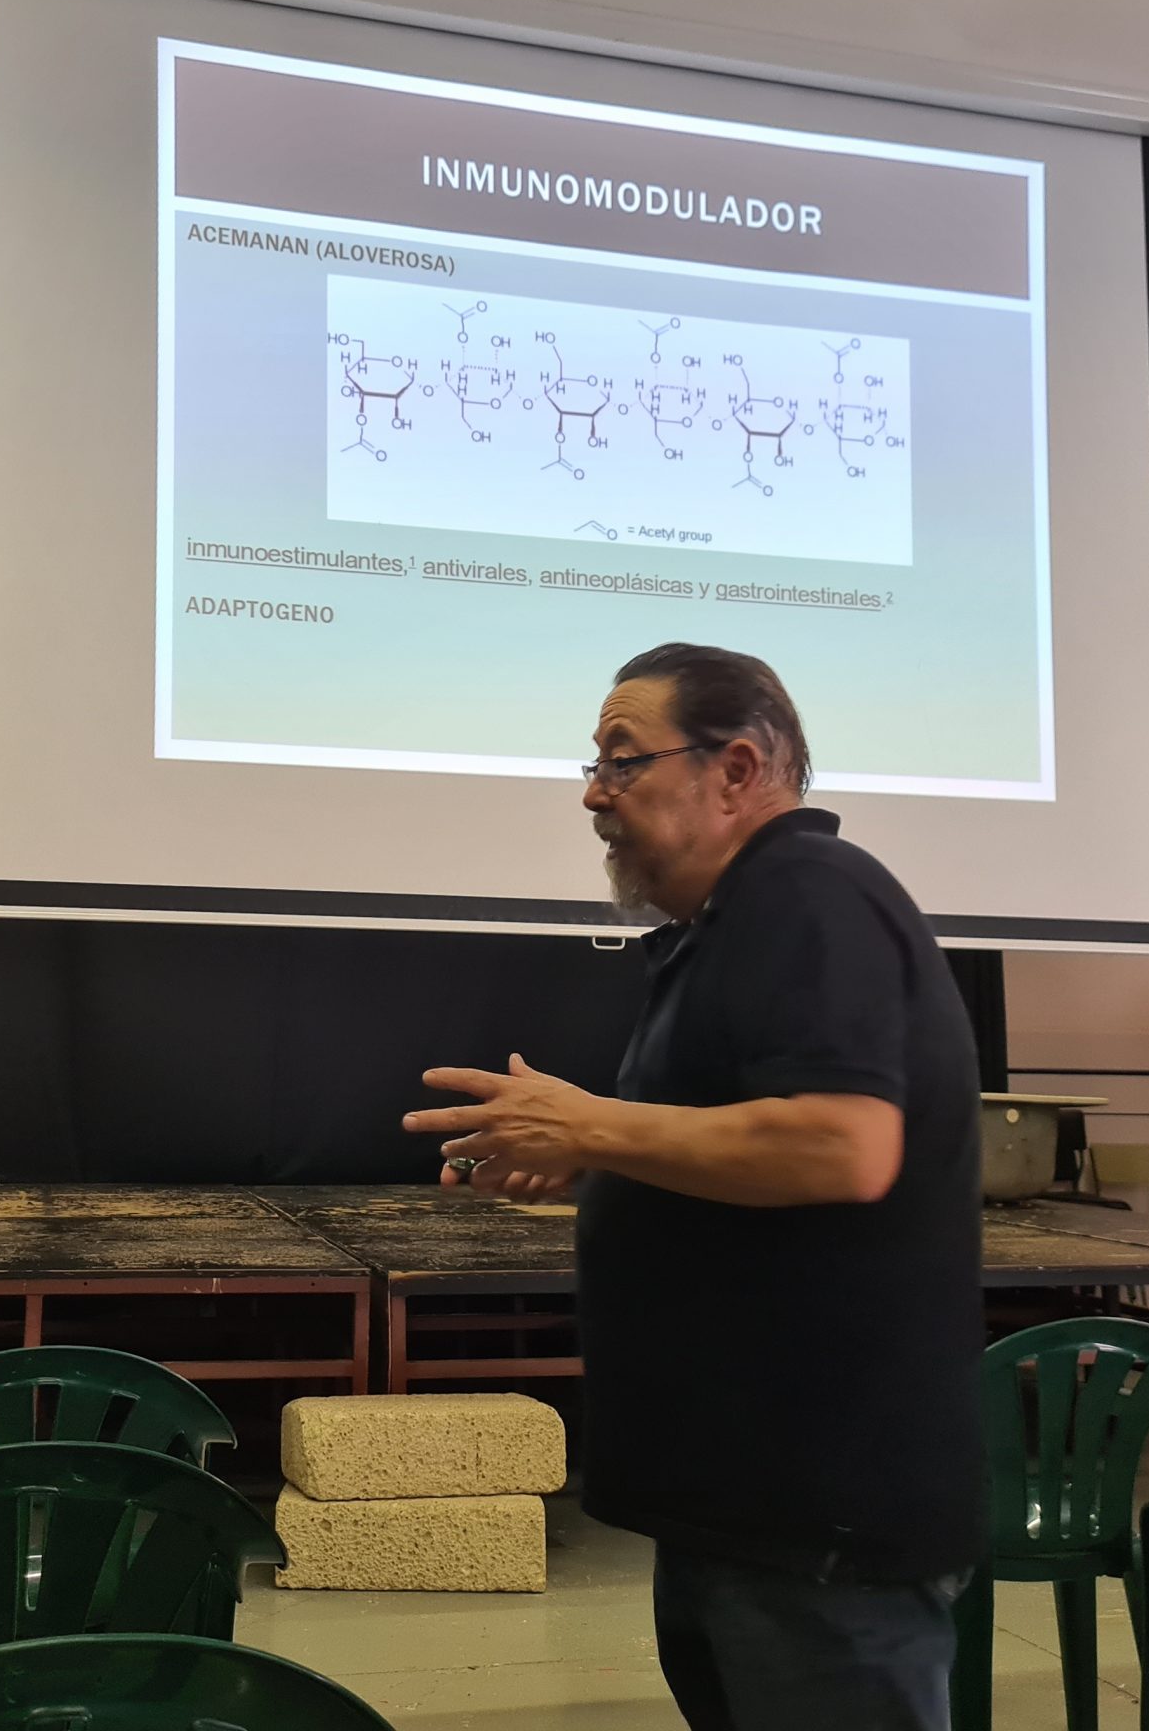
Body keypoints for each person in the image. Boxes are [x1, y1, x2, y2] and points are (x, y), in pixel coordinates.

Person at [404, 642, 983, 1731]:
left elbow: (842, 1147)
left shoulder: (808, 891)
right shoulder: (729, 926)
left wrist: (591, 1124)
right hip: (747, 1506)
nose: (594, 794)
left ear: (737, 769)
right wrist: (599, 1157)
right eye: (594, 765)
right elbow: (745, 1153)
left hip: (816, 1517)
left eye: (623, 762)